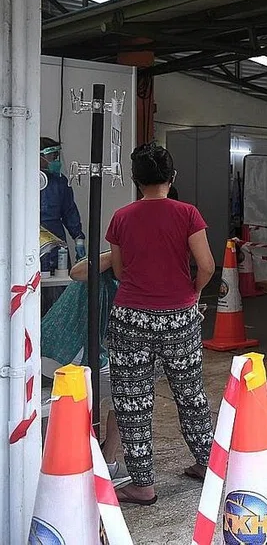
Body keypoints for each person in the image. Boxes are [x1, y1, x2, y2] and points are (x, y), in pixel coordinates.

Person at [106, 142, 216, 505]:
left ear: (136, 180)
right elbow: (207, 266)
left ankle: (143, 484)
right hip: (180, 318)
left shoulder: (122, 217)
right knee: (191, 394)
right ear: (172, 177)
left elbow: (120, 271)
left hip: (131, 317)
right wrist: (193, 293)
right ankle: (207, 462)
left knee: (133, 401)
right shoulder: (188, 213)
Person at [39, 250, 130, 488]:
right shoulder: (104, 270)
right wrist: (117, 253)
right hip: (72, 351)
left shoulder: (110, 272)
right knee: (131, 390)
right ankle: (106, 461)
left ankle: (83, 457)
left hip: (53, 344)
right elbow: (76, 272)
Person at [40, 138, 85, 312]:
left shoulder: (60, 182)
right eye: (52, 156)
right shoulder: (22, 180)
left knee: (59, 288)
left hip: (56, 239)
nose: (55, 160)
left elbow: (69, 211)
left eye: (56, 155)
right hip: (31, 238)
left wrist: (78, 237)